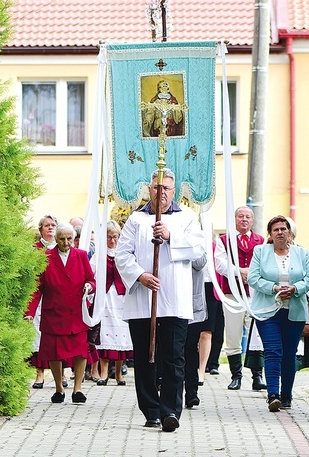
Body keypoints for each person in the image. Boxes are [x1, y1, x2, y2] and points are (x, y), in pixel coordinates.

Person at [115, 168, 205, 432]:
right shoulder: (135, 219)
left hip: (175, 300)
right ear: (149, 189)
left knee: (174, 358)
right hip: (144, 301)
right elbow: (122, 255)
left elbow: (198, 250)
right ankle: (151, 410)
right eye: (156, 188)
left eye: (166, 188)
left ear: (173, 191)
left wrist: (170, 237)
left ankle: (170, 412)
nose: (161, 192)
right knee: (145, 358)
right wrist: (140, 275)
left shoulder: (186, 218)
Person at [248, 215, 309, 412]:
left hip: (294, 311)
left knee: (289, 354)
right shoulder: (260, 251)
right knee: (273, 351)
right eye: (276, 229)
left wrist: (295, 288)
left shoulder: (302, 253)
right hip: (268, 311)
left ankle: (287, 395)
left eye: (283, 229)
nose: (280, 232)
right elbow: (253, 278)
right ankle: (273, 395)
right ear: (270, 233)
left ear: (290, 233)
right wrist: (274, 288)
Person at [25, 223, 96, 404]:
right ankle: (59, 388)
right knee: (54, 353)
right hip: (54, 313)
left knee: (80, 351)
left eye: (69, 239)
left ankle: (77, 389)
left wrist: (89, 286)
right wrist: (30, 312)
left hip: (76, 313)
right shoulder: (47, 257)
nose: (66, 242)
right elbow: (36, 289)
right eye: (62, 239)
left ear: (74, 239)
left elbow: (91, 279)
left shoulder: (80, 256)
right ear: (56, 239)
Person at [214, 206, 266, 390]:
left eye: (248, 217)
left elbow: (265, 263)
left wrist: (250, 274)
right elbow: (220, 264)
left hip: (255, 294)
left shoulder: (261, 240)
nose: (244, 220)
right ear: (235, 219)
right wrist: (239, 271)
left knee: (256, 333)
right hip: (232, 293)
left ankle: (257, 376)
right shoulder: (224, 240)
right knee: (233, 333)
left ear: (252, 220)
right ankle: (236, 376)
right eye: (240, 216)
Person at [90, 220, 133, 386]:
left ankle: (119, 374)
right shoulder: (99, 255)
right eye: (109, 237)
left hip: (121, 297)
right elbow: (91, 271)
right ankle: (103, 372)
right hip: (105, 297)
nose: (113, 240)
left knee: (121, 335)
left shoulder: (124, 253)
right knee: (105, 333)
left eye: (115, 237)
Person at [285, 217, 309, 372]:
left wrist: (302, 294)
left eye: (286, 231)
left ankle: (289, 382)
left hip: (297, 300)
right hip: (274, 302)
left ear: (292, 235)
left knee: (295, 342)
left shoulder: (302, 253)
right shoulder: (267, 251)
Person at [30, 214, 60, 389]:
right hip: (39, 298)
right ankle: (40, 374)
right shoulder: (35, 249)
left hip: (56, 297)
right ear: (41, 229)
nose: (50, 228)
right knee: (38, 336)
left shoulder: (60, 247)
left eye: (53, 225)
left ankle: (60, 374)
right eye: (47, 225)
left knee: (58, 336)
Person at [198, 242, 225, 384]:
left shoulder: (216, 245)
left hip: (212, 289)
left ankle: (206, 367)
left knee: (209, 331)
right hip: (194, 287)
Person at [184, 253, 207, 408]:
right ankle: (171, 388)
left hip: (193, 306)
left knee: (191, 347)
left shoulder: (197, 242)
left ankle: (192, 391)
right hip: (171, 305)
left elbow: (199, 262)